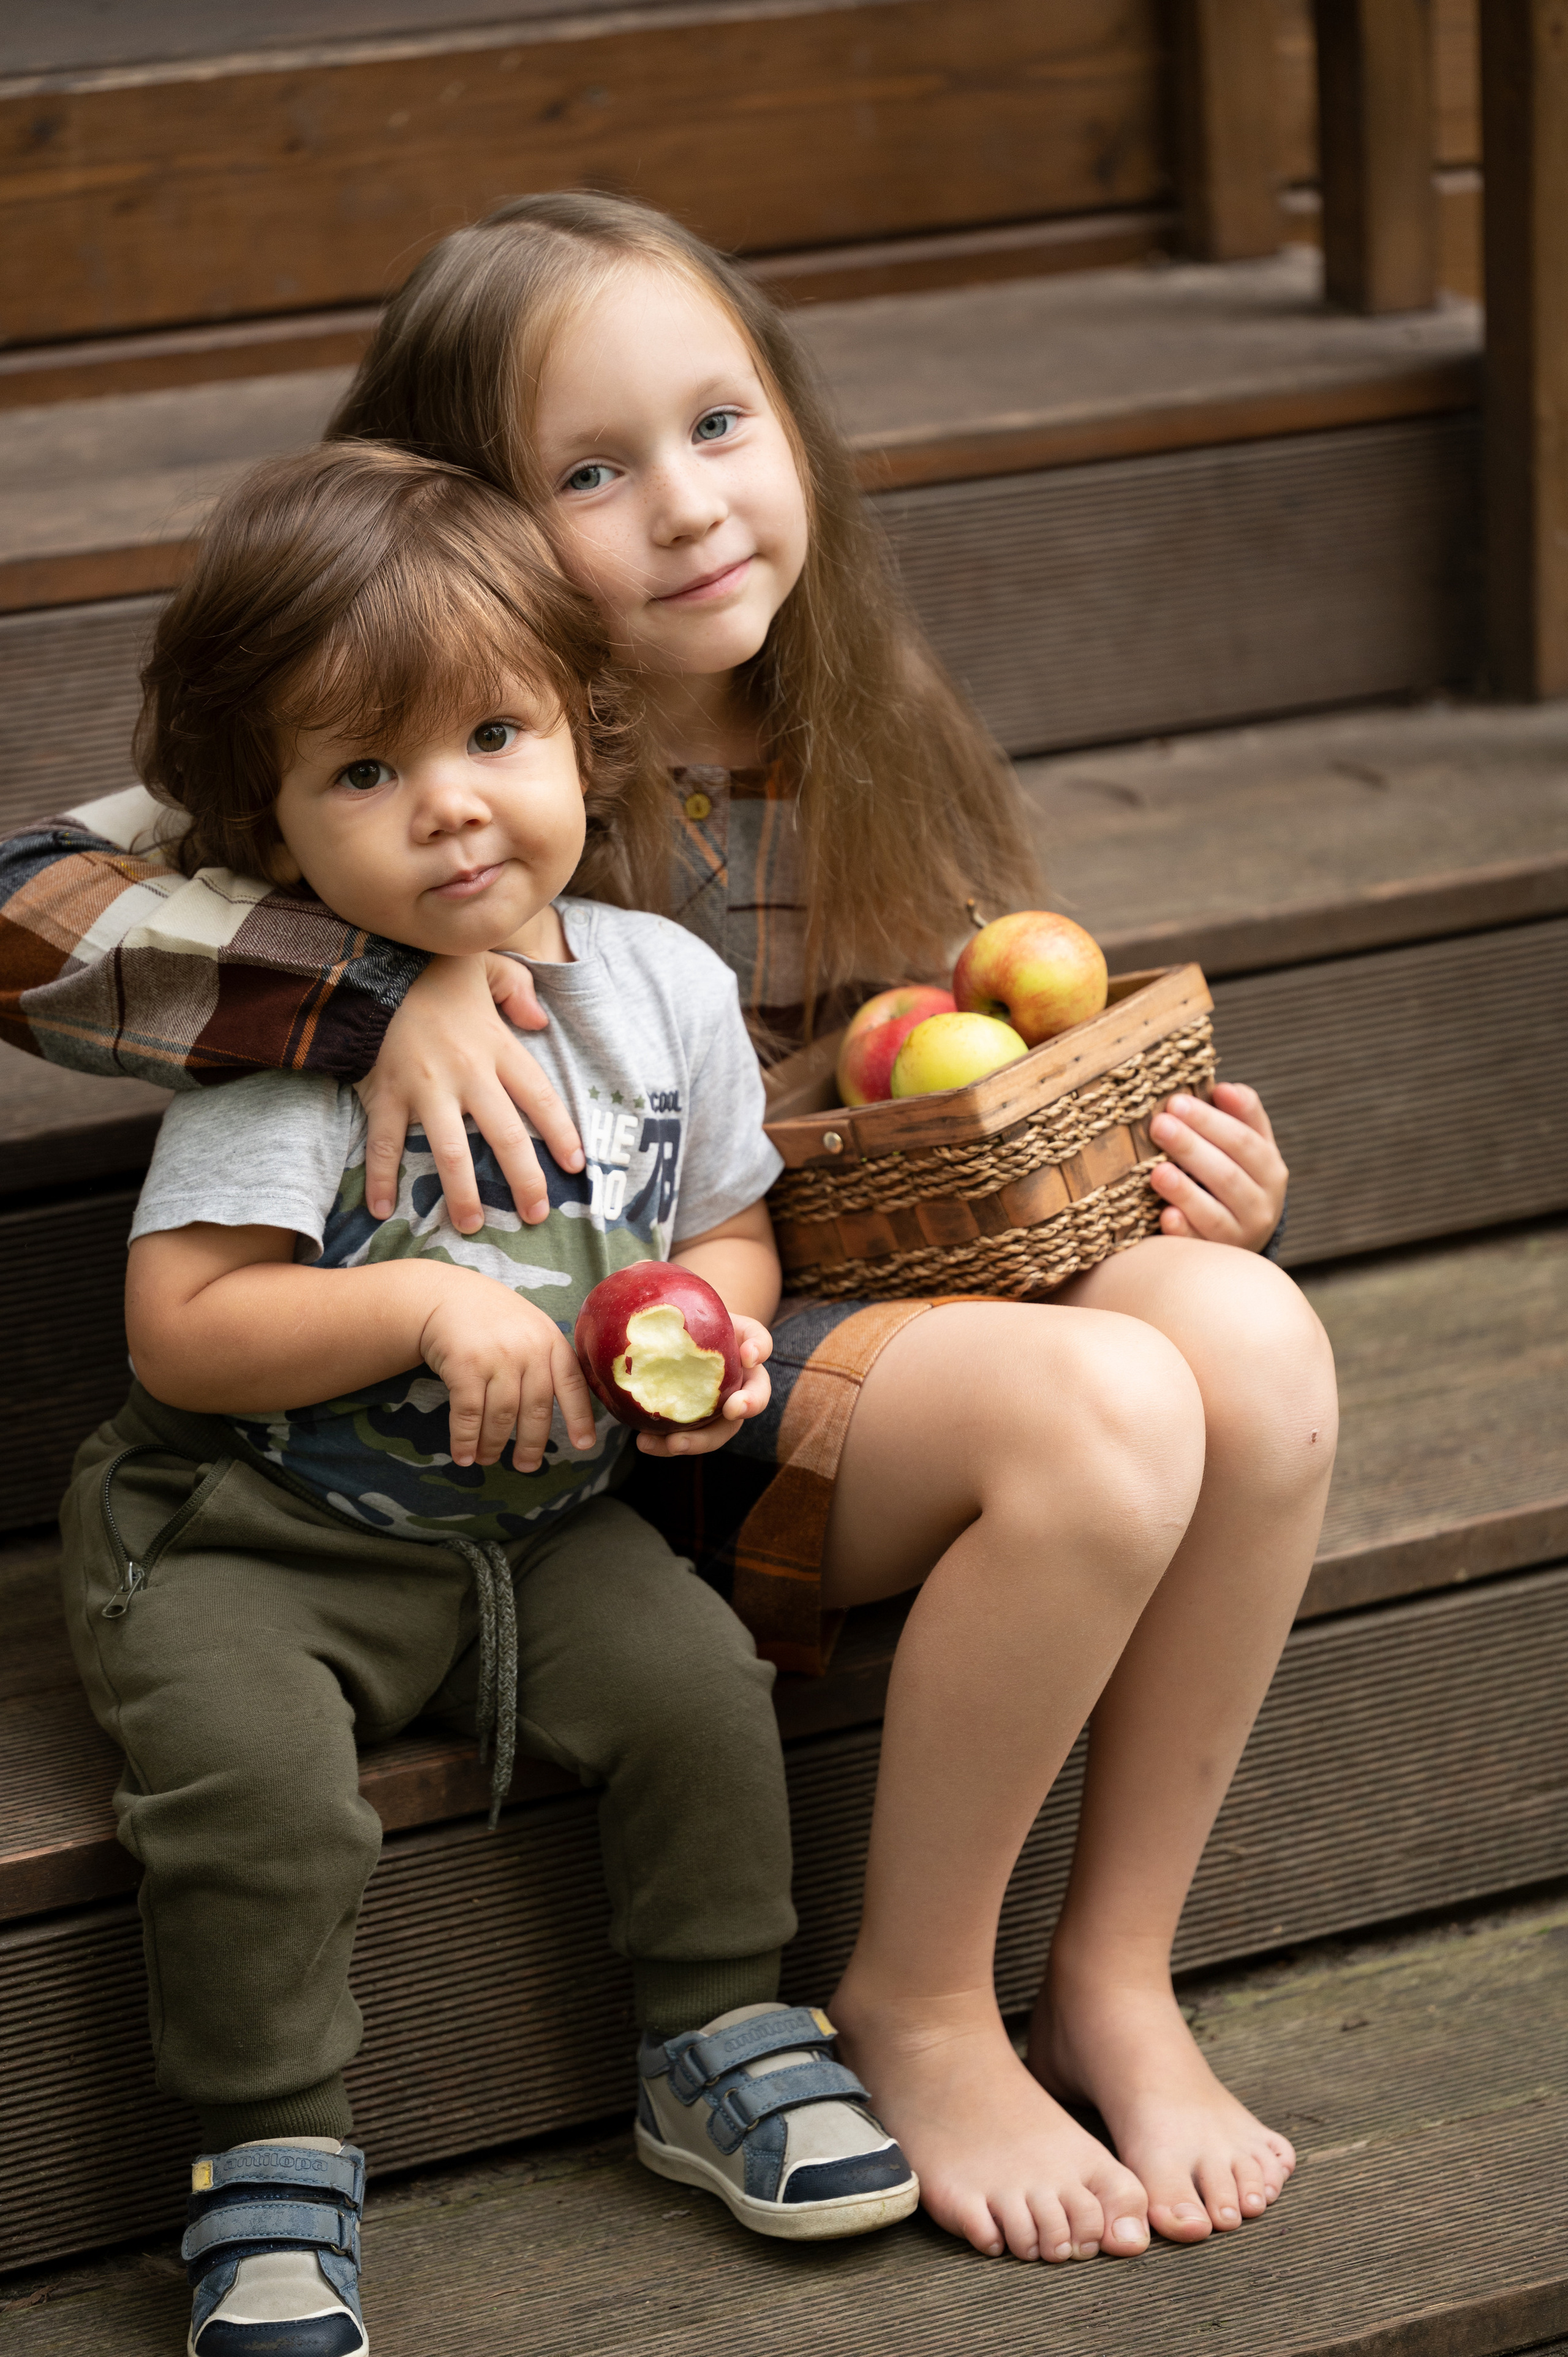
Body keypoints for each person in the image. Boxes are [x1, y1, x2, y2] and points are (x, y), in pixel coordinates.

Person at [6, 192, 1339, 2271]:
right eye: (592, 471)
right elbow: (28, 908)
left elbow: (916, 1101)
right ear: (470, 518)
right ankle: (912, 1997)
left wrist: (1153, 1182)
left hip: (821, 1324)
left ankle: (1119, 1971)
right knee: (1098, 1416)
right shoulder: (427, 780)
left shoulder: (846, 714)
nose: (690, 507)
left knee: (1251, 1339)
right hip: (616, 1437)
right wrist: (366, 987)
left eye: (721, 423)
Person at [59, 442, 922, 2357]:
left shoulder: (664, 987)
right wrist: (426, 1303)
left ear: (586, 740)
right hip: (253, 1539)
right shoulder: (292, 1045)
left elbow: (742, 1229)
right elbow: (184, 1333)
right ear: (274, 831)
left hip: (538, 1526)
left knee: (707, 1689)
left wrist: (706, 1324)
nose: (448, 809)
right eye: (364, 774)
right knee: (258, 1792)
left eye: (494, 734)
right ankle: (267, 2157)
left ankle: (715, 2030)